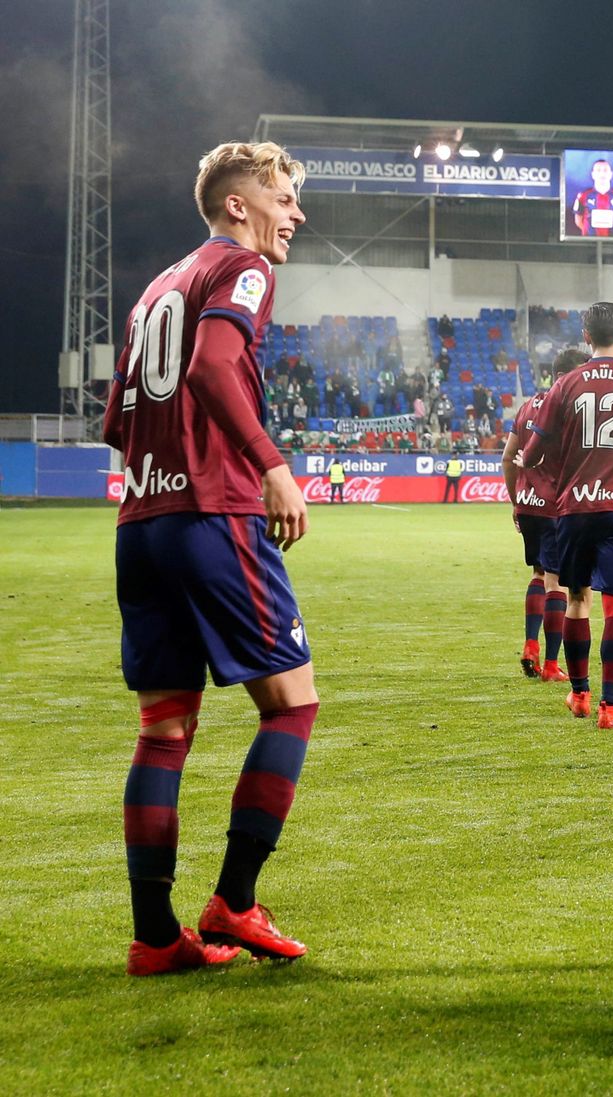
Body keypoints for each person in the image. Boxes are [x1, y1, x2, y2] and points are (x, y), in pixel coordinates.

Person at [102, 141, 317, 975]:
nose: (294, 213)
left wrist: (161, 467)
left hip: (142, 520)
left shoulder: (159, 286)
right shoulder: (244, 269)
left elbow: (117, 417)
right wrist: (270, 465)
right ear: (240, 204)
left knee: (163, 730)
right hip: (213, 513)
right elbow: (214, 366)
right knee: (291, 703)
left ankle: (156, 938)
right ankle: (234, 897)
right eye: (284, 198)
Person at [518, 303, 613, 729]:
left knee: (576, 600)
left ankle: (580, 694)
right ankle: (609, 708)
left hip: (574, 509)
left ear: (585, 337)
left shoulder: (566, 384)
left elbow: (532, 454)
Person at [503, 349, 587, 682]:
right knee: (557, 583)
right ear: (569, 374)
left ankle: (530, 645)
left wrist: (515, 499)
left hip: (528, 504)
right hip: (557, 507)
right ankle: (552, 665)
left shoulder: (527, 407)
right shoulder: (570, 409)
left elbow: (509, 457)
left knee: (538, 574)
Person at [571, 158, 613, 238]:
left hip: (612, 242)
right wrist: (589, 232)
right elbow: (578, 221)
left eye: (605, 170)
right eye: (598, 170)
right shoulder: (583, 195)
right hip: (588, 242)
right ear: (593, 174)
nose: (602, 174)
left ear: (611, 174)